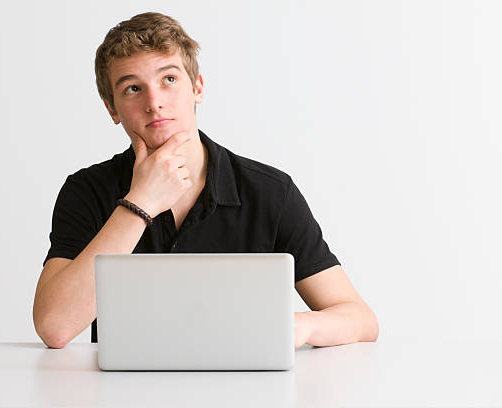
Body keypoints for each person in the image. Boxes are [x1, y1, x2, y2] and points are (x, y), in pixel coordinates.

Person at [33, 12, 379, 349]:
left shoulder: (270, 192)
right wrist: (140, 203)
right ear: (111, 108)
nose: (154, 103)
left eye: (169, 79)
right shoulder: (86, 191)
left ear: (197, 87)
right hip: (122, 395)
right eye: (133, 88)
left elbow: (360, 319)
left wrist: (299, 326)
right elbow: (55, 327)